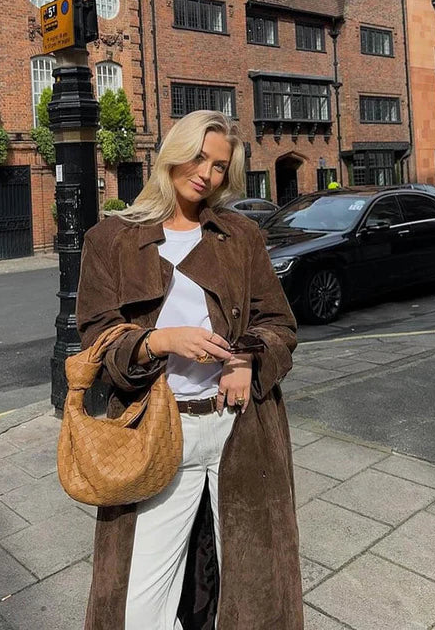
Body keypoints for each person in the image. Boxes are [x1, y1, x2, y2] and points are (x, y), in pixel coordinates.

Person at [76, 110, 303, 630]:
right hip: (158, 429)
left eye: (220, 166)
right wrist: (158, 340)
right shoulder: (111, 239)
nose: (206, 173)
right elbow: (96, 336)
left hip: (240, 428)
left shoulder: (240, 236)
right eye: (198, 156)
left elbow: (280, 324)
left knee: (255, 587)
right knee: (137, 601)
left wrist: (246, 357)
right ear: (172, 154)